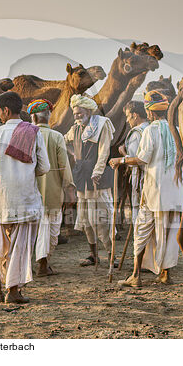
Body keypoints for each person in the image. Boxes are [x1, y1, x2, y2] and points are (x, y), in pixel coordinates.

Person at [0, 91, 50, 303]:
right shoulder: (34, 132)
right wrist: (27, 172)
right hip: (26, 200)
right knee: (20, 248)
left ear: (7, 110)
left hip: (2, 200)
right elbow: (44, 167)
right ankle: (13, 291)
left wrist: (1, 172)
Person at [109, 90, 183, 286]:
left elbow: (142, 159)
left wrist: (121, 159)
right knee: (168, 234)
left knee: (141, 231)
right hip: (175, 192)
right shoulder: (177, 129)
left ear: (149, 112)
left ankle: (136, 275)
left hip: (154, 191)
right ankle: (165, 273)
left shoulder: (151, 130)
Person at [64, 94, 116, 267]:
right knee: (85, 219)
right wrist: (74, 155)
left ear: (88, 110)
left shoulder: (102, 124)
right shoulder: (75, 128)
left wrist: (98, 170)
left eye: (79, 112)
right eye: (75, 113)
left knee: (103, 219)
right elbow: (64, 142)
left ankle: (111, 255)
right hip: (81, 177)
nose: (77, 116)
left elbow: (104, 150)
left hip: (98, 179)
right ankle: (93, 255)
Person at [27, 99, 75, 276]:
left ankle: (37, 264)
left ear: (32, 117)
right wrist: (70, 188)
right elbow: (65, 166)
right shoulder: (56, 137)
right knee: (50, 230)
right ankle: (42, 264)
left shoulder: (26, 135)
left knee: (36, 230)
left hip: (30, 192)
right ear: (49, 116)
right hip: (52, 191)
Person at [118, 101, 149, 223]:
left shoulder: (136, 133)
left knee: (139, 215)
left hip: (141, 181)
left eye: (128, 116)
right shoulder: (152, 128)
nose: (127, 121)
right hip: (153, 180)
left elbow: (135, 160)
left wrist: (123, 154)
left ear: (135, 115)